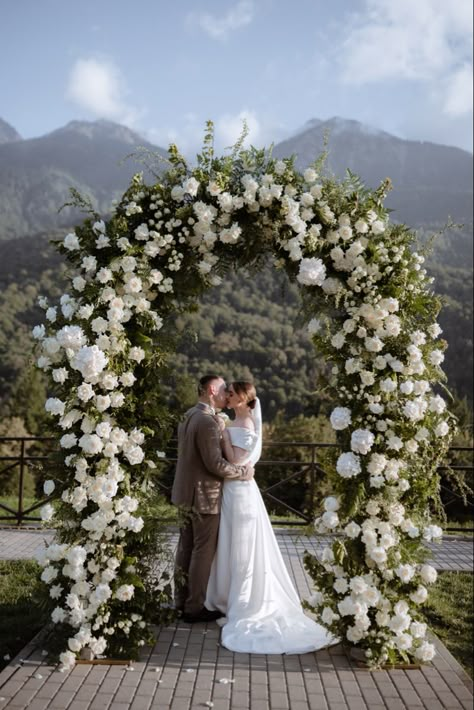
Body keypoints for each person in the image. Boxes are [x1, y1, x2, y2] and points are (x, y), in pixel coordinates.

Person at [206, 381, 337, 654]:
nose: (227, 397)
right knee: (229, 543)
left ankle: (243, 602)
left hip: (241, 492)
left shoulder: (246, 425)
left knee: (242, 547)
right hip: (232, 490)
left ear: (242, 398)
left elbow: (239, 462)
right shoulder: (234, 421)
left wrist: (224, 438)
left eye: (230, 394)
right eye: (226, 393)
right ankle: (226, 597)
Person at [171, 374, 254, 624]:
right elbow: (215, 464)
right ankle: (194, 607)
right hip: (204, 496)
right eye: (221, 391)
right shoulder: (207, 422)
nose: (224, 396)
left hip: (183, 492)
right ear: (210, 390)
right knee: (201, 551)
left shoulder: (188, 415)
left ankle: (180, 601)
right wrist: (242, 472)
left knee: (185, 548)